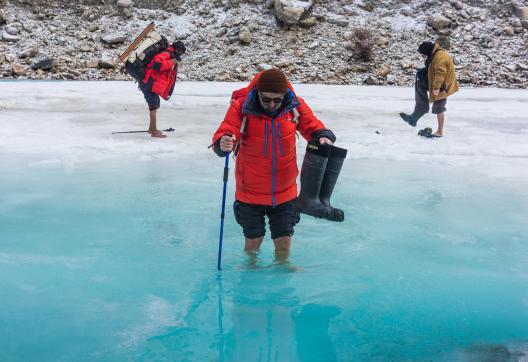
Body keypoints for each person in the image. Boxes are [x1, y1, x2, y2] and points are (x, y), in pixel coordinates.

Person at [211, 69, 336, 260]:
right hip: (250, 192)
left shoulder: (295, 106)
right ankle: (250, 275)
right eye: (266, 99)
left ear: (284, 95)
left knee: (284, 243)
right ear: (258, 93)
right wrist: (223, 142)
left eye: (277, 100)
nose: (271, 104)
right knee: (253, 244)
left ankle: (282, 273)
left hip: (285, 191)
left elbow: (313, 126)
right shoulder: (241, 107)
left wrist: (323, 137)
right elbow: (227, 130)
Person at [400, 40, 459, 137]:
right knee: (420, 85)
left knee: (438, 107)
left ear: (428, 51)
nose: (424, 56)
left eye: (424, 54)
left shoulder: (441, 57)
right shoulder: (435, 54)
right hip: (437, 83)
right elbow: (433, 68)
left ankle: (440, 132)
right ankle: (415, 117)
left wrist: (436, 87)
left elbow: (440, 73)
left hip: (442, 86)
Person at [139, 40, 186, 138]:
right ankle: (153, 131)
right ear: (177, 49)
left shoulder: (171, 55)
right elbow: (157, 64)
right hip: (147, 83)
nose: (180, 54)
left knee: (155, 105)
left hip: (150, 84)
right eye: (180, 52)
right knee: (154, 106)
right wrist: (171, 62)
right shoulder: (166, 54)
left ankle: (152, 129)